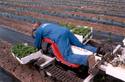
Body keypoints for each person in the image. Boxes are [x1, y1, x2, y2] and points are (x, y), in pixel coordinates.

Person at [32, 22, 98, 73]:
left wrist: (37, 48)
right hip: (66, 31)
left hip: (60, 37)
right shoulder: (47, 24)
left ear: (37, 28)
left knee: (67, 56)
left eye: (34, 29)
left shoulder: (39, 31)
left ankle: (87, 59)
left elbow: (37, 43)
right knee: (81, 46)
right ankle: (98, 50)